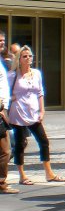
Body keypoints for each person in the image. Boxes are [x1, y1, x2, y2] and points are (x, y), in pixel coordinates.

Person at [8, 46, 65, 185]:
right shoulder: (13, 75)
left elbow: (40, 92)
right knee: (20, 144)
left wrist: (42, 110)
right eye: (25, 56)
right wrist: (11, 98)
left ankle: (49, 173)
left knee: (44, 141)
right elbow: (4, 92)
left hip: (33, 113)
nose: (28, 59)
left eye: (30, 56)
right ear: (19, 59)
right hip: (18, 113)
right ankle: (22, 175)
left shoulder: (36, 73)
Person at [0, 62, 19, 194]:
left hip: (3, 110)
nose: (2, 41)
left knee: (7, 149)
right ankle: (1, 183)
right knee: (5, 150)